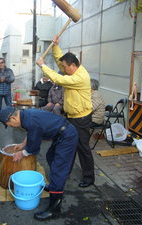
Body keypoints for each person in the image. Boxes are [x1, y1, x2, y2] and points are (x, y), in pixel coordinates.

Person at [0, 107, 78, 220]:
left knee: (58, 170)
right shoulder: (25, 114)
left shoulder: (30, 120)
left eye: (10, 124)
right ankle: (56, 183)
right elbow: (32, 131)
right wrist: (23, 144)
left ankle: (54, 210)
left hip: (67, 136)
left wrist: (22, 153)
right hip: (61, 133)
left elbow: (33, 147)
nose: (11, 126)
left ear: (13, 118)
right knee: (50, 156)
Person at [36, 35, 94, 188]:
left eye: (66, 68)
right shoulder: (72, 70)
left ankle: (89, 177)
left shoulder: (80, 77)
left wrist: (43, 66)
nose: (63, 70)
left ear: (73, 65)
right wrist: (55, 46)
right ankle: (64, 173)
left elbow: (59, 79)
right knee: (67, 146)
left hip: (81, 118)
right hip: (71, 116)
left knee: (83, 148)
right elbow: (61, 62)